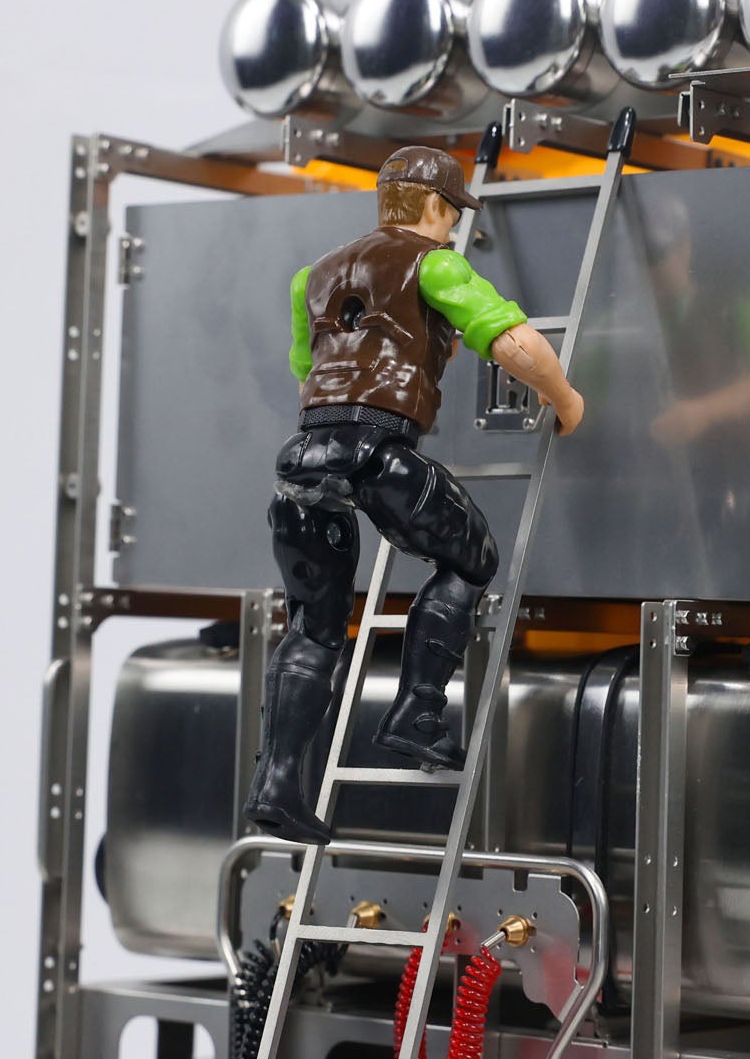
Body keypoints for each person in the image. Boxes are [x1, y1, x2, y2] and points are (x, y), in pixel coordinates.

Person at [244, 146, 584, 844]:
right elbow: (515, 345)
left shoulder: (312, 277)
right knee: (471, 559)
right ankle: (417, 713)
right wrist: (566, 399)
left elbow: (307, 372)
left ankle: (275, 783)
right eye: (453, 215)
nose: (453, 227)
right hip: (378, 452)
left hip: (301, 462)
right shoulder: (435, 265)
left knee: (314, 625)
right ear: (434, 206)